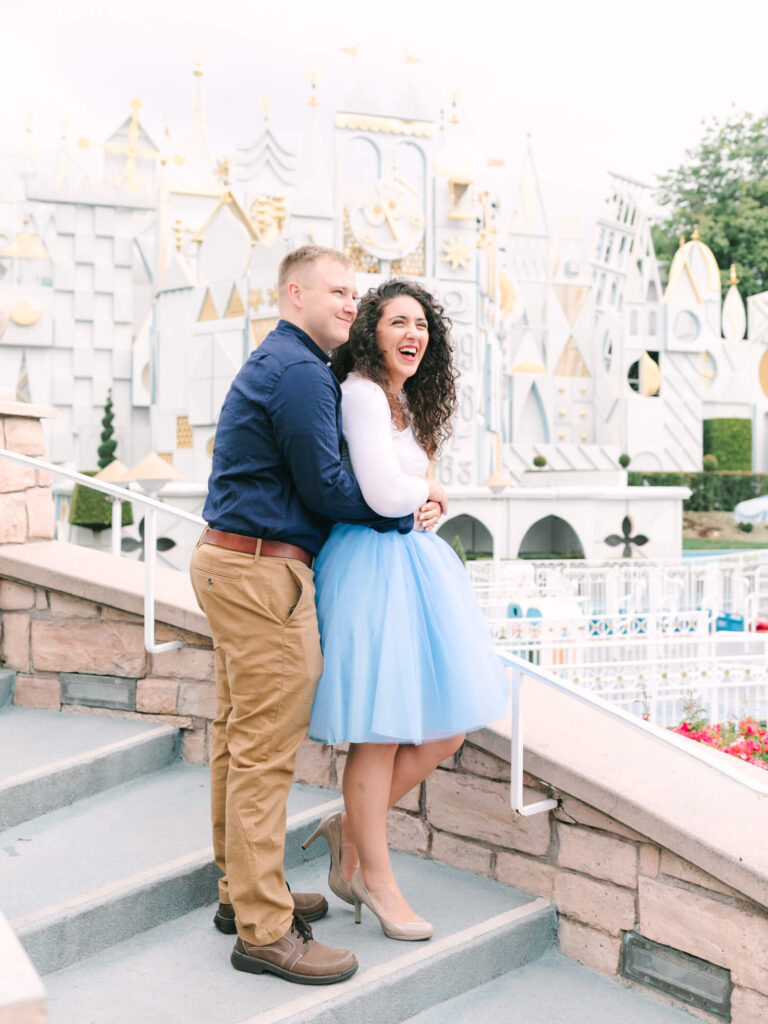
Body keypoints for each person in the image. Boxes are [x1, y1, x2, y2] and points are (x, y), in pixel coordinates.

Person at [189, 247, 447, 985]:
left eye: (353, 293)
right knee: (264, 753)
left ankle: (243, 895)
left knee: (240, 740)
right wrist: (408, 514)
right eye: (336, 291)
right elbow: (330, 486)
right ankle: (266, 932)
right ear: (293, 292)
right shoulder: (301, 371)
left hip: (238, 560)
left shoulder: (290, 364)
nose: (349, 303)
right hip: (261, 570)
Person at [303, 279, 509, 941]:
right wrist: (429, 487)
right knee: (382, 728)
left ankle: (345, 829)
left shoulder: (402, 399)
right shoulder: (362, 393)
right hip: (370, 566)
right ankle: (375, 879)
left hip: (414, 564)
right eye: (398, 322)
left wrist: (424, 491)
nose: (412, 334)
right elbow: (383, 490)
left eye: (421, 324)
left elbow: (406, 491)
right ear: (372, 332)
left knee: (445, 727)